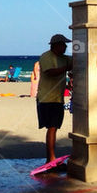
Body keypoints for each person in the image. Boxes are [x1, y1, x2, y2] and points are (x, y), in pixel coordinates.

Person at [36, 34, 72, 164]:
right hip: (47, 98)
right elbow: (50, 72)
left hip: (58, 99)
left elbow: (76, 63)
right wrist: (66, 68)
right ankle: (50, 158)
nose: (66, 47)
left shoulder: (65, 59)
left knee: (54, 127)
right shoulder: (46, 57)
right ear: (56, 45)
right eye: (64, 45)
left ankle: (51, 157)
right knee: (52, 127)